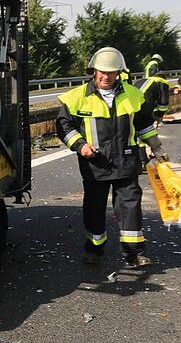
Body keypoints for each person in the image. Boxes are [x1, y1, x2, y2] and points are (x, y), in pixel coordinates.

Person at [56, 47, 167, 268]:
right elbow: (63, 126)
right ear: (93, 71)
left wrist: (156, 147)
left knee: (130, 207)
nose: (106, 77)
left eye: (112, 72)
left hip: (127, 162)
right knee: (94, 208)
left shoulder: (134, 96)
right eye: (102, 72)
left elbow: (144, 124)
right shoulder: (76, 97)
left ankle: (134, 254)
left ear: (119, 73)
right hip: (95, 164)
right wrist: (80, 145)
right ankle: (94, 249)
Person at [138, 54, 170, 126]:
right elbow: (163, 102)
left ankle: (153, 116)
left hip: (146, 82)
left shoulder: (148, 64)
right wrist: (160, 115)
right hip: (153, 81)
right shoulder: (154, 63)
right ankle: (154, 117)